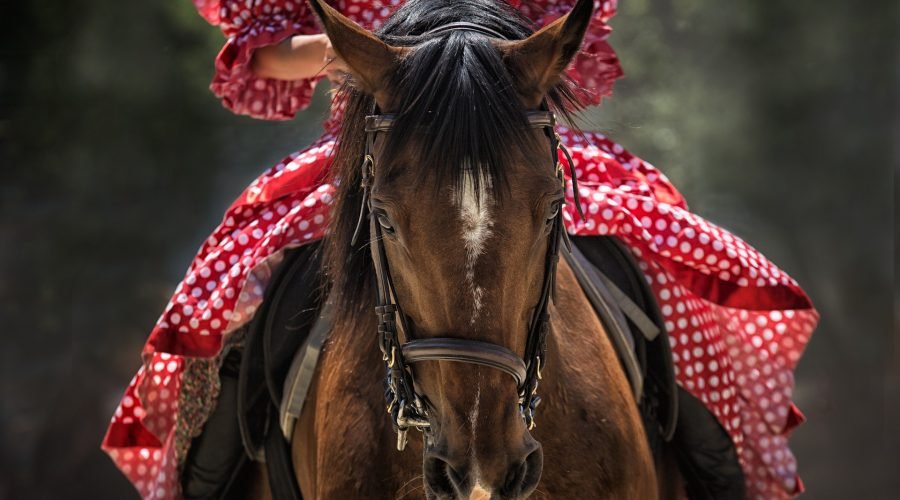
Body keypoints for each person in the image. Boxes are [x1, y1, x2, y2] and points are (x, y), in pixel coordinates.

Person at [101, 1, 818, 499]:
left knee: (666, 269)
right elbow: (266, 52)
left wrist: (482, 53)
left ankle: (714, 462)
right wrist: (380, 55)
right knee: (241, 302)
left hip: (507, 130)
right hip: (385, 138)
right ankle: (214, 471)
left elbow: (567, 29)